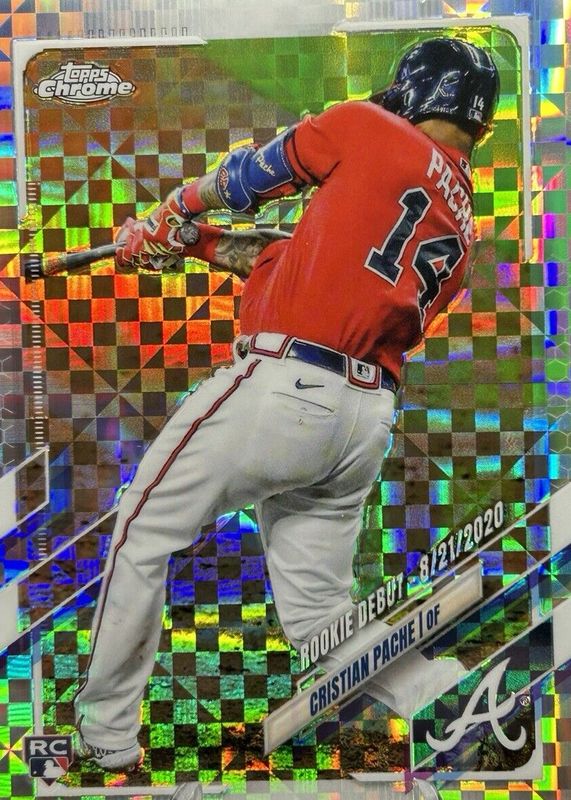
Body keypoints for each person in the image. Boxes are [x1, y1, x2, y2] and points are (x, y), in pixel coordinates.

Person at [73, 37, 499, 771]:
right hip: (361, 423)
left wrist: (174, 211)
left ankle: (104, 734)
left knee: (142, 531)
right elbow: (289, 255)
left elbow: (249, 178)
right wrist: (191, 243)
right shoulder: (461, 230)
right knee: (322, 618)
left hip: (284, 388)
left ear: (413, 91)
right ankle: (458, 704)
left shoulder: (369, 125)